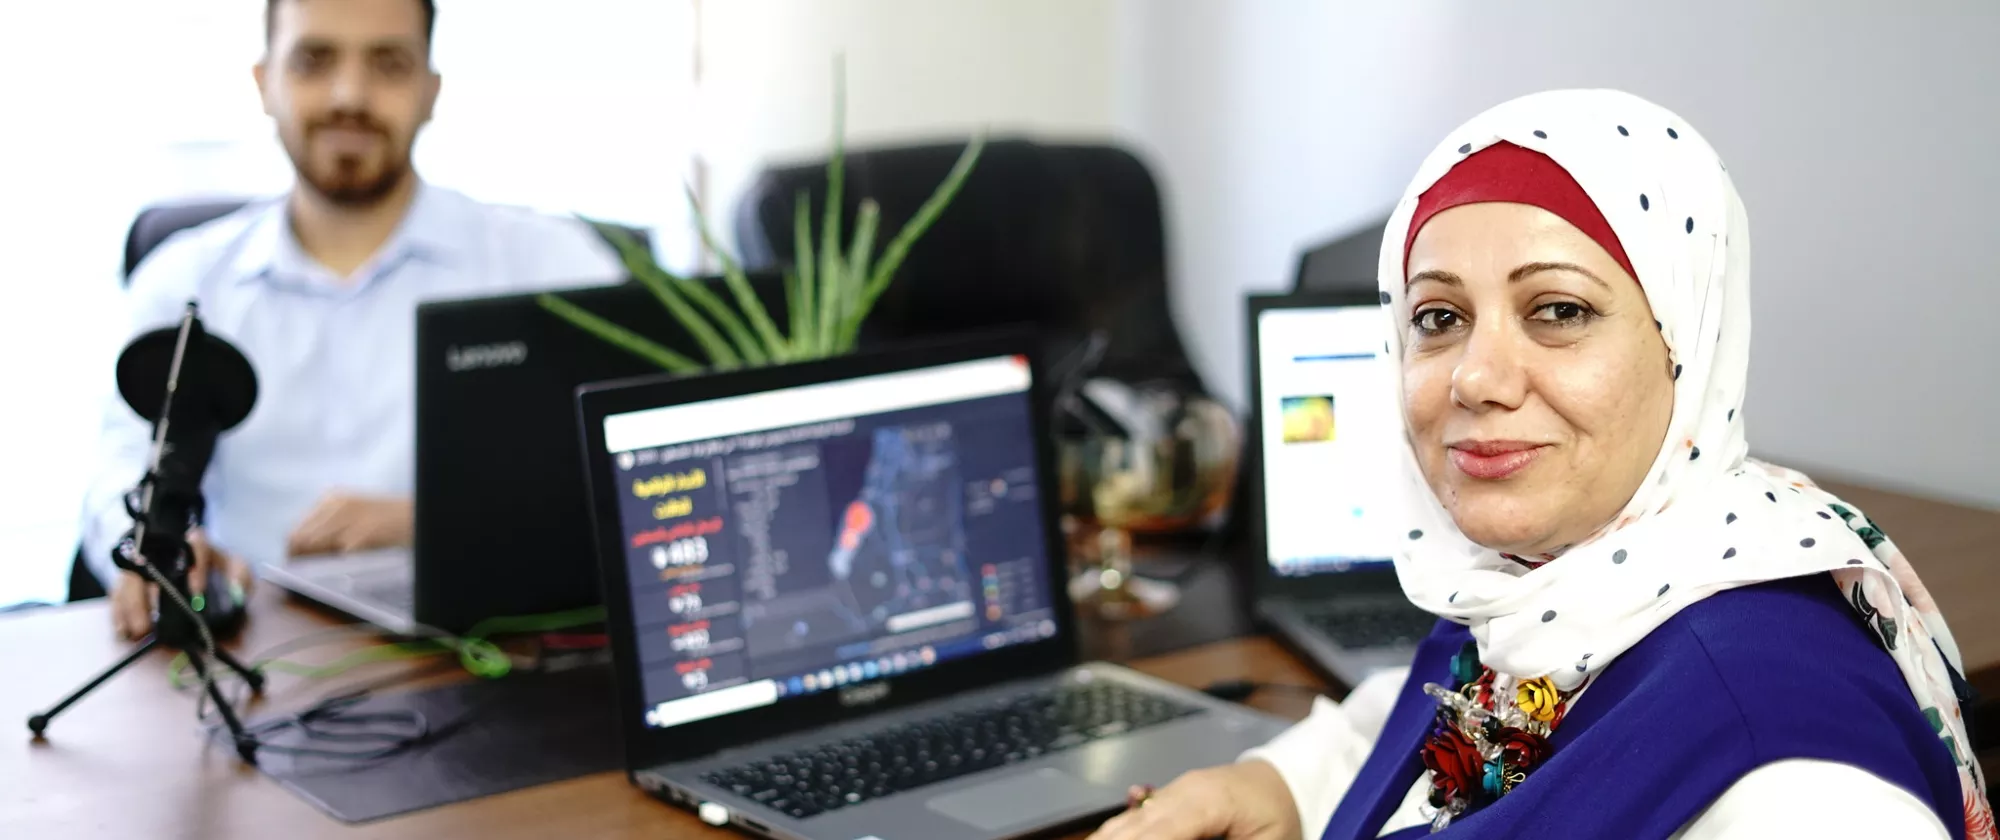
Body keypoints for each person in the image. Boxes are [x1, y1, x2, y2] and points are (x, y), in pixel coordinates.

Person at [1090, 90, 1993, 839]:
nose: (1478, 378)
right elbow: (1440, 736)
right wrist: (1277, 789)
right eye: (1438, 318)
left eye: (1558, 310)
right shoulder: (1558, 592)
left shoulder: (1791, 780)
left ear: (1687, 345)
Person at [79, 0, 624, 639]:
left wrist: (444, 522)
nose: (349, 95)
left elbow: (635, 483)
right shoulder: (182, 281)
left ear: (430, 91)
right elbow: (117, 469)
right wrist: (157, 549)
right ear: (264, 83)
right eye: (314, 60)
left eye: (388, 64)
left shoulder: (552, 265)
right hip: (242, 656)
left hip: (482, 658)